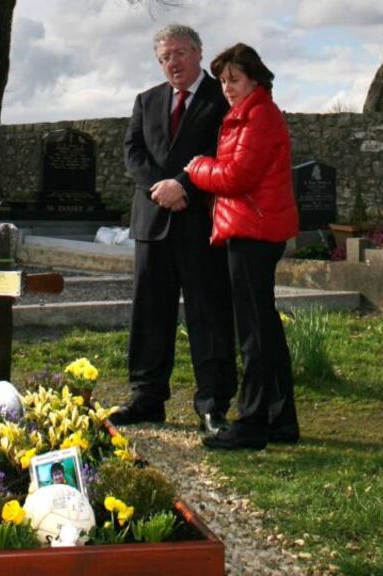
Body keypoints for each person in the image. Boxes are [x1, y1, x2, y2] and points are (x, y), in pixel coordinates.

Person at [111, 24, 237, 435]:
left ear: (199, 53)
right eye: (165, 57)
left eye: (180, 53)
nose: (173, 63)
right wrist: (159, 189)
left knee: (208, 313)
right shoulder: (146, 101)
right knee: (149, 314)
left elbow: (223, 153)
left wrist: (182, 186)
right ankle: (147, 397)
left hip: (200, 221)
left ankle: (212, 404)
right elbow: (133, 152)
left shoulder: (223, 99)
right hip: (153, 223)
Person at [184, 43, 300, 450]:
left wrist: (197, 167)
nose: (227, 87)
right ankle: (280, 418)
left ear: (255, 77)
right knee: (264, 326)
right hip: (252, 227)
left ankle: (251, 424)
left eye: (234, 79)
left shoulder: (259, 116)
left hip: (253, 230)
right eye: (223, 81)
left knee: (253, 332)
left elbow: (235, 177)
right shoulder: (249, 114)